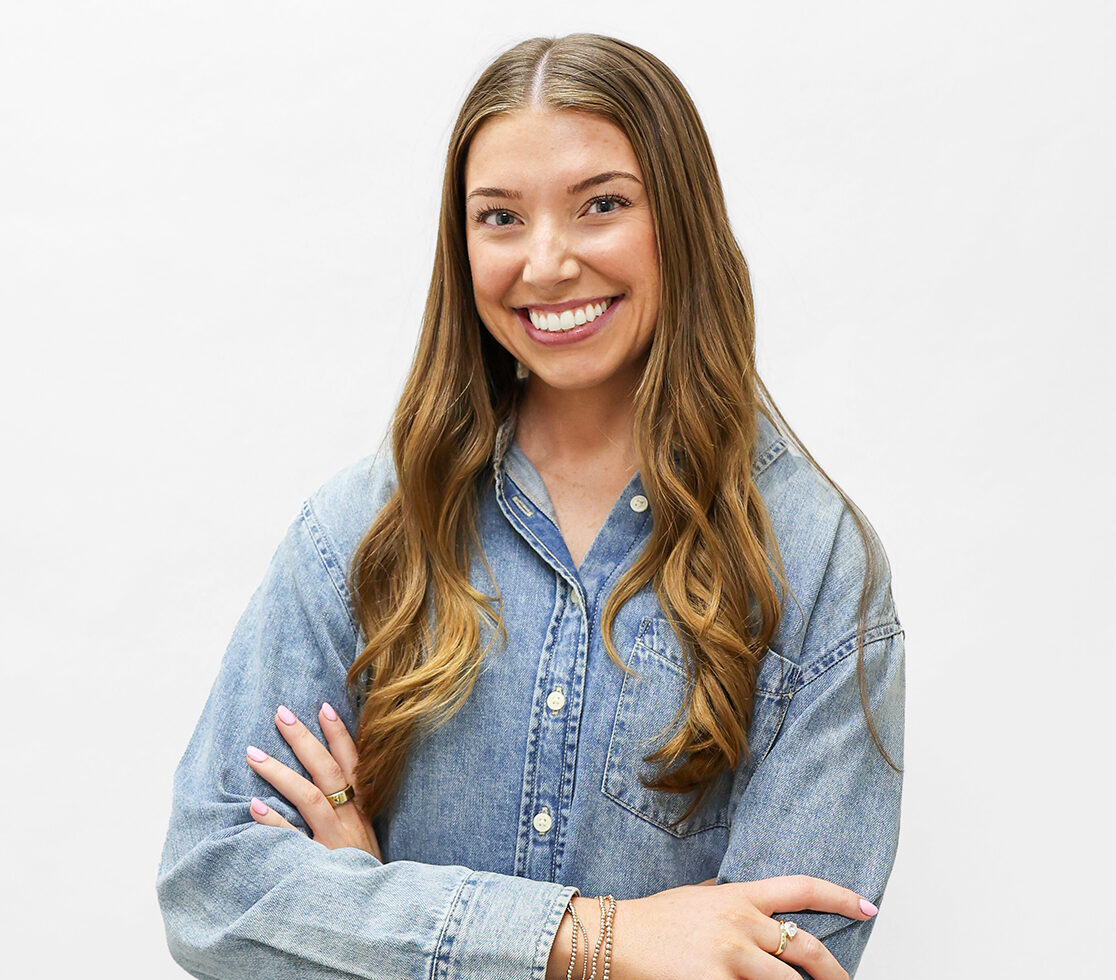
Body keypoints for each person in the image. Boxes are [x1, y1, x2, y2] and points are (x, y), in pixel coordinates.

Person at [156, 33, 904, 980]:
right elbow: (209, 884)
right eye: (500, 218)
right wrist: (597, 939)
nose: (546, 263)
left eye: (601, 205)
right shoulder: (362, 532)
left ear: (679, 216)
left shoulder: (817, 561)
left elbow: (783, 969)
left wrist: (367, 912)